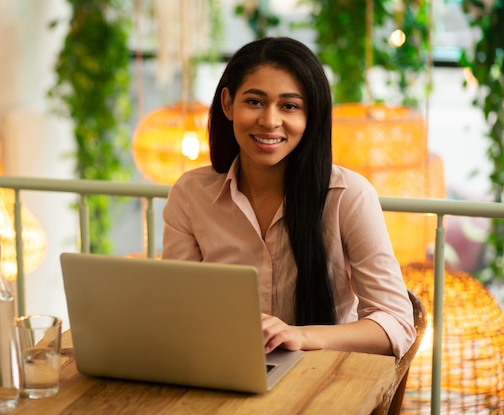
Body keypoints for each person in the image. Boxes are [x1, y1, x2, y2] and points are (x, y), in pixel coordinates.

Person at [161, 37, 416, 359]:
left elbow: (395, 323)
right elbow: (176, 308)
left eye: (290, 106)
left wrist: (300, 336)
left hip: (323, 381)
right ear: (227, 104)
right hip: (223, 366)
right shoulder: (190, 194)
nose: (269, 121)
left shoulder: (349, 196)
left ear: (312, 116)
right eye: (254, 102)